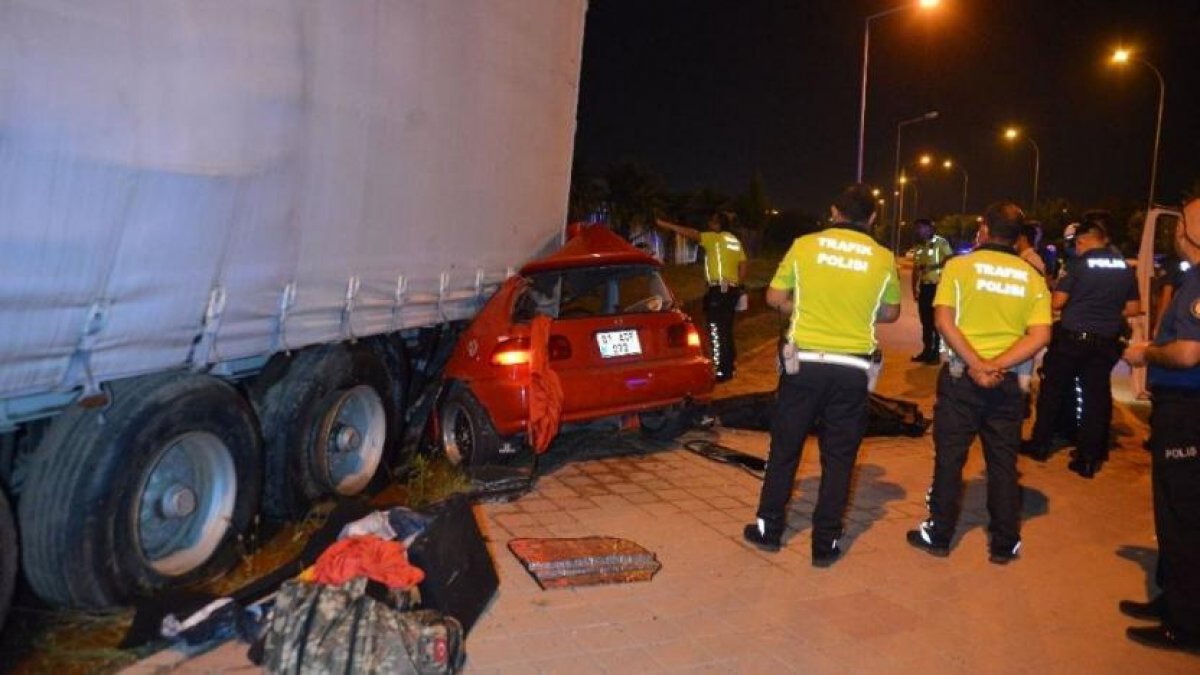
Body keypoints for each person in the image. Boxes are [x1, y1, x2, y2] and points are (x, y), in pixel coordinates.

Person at [743, 184, 900, 566]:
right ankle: (824, 543)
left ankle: (769, 528)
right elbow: (891, 313)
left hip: (805, 365)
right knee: (840, 457)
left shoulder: (804, 245)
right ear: (873, 218)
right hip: (852, 370)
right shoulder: (883, 257)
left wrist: (805, 306)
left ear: (834, 211)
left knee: (785, 449)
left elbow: (775, 298)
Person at [906, 202, 1051, 564]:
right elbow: (1041, 335)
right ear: (1018, 236)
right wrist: (997, 365)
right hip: (1008, 384)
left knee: (949, 460)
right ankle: (1004, 543)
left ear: (984, 228)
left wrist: (976, 364)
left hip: (961, 379)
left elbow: (942, 320)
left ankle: (939, 535)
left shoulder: (959, 267)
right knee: (1002, 463)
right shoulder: (1032, 276)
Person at [1119, 197, 1200, 653]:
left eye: (1180, 224)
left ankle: (1186, 624)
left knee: (1183, 515)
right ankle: (1174, 602)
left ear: (1188, 233)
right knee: (1175, 510)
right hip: (1182, 408)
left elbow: (1188, 353)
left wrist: (1145, 353)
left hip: (1189, 410)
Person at [1022, 212, 1141, 477]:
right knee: (1096, 398)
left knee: (1053, 391)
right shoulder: (1123, 267)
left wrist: (1080, 303)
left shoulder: (1078, 265)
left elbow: (1057, 303)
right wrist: (1106, 310)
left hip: (1072, 338)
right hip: (1106, 342)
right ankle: (1089, 457)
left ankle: (1040, 444)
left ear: (1084, 241)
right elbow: (1134, 308)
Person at [655, 212, 746, 381]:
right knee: (726, 329)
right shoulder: (735, 240)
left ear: (718, 225)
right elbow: (743, 266)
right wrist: (737, 286)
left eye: (712, 221)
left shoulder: (715, 238)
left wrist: (666, 224)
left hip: (718, 289)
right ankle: (730, 366)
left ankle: (721, 371)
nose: (709, 224)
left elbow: (691, 233)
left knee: (716, 330)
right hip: (732, 290)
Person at [910, 218, 954, 364]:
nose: (920, 231)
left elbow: (949, 259)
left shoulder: (941, 242)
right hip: (924, 286)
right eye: (918, 228)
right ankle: (926, 350)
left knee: (935, 322)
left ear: (930, 228)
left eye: (922, 228)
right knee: (925, 321)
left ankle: (935, 354)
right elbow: (916, 269)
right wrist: (914, 288)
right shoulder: (919, 247)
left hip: (937, 286)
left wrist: (934, 268)